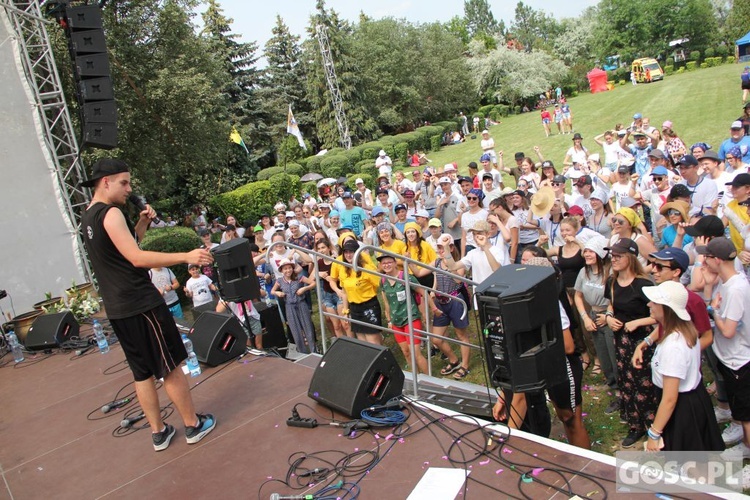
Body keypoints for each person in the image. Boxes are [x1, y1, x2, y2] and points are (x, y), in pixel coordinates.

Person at [80, 158, 216, 452]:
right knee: (170, 366)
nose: (129, 189)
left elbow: (125, 248)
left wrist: (143, 222)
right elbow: (137, 259)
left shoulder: (88, 216)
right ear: (106, 182)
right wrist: (185, 256)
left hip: (118, 308)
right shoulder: (111, 213)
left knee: (141, 372)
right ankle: (192, 424)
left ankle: (159, 432)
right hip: (140, 303)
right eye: (124, 182)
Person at [631, 281, 724, 452]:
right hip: (693, 400)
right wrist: (644, 344)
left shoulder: (673, 347)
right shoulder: (682, 330)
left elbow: (670, 399)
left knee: (690, 463)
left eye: (654, 302)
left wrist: (654, 433)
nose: (649, 304)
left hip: (683, 408)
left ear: (666, 309)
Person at [603, 238, 657, 448]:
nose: (613, 259)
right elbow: (610, 305)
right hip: (621, 340)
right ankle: (634, 423)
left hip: (642, 341)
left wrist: (638, 322)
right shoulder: (612, 282)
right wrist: (608, 317)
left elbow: (660, 316)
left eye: (618, 256)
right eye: (612, 256)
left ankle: (649, 423)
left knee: (643, 382)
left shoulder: (643, 285)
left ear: (631, 258)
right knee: (626, 380)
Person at [699, 237, 750, 458]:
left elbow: (728, 330)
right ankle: (745, 443)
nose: (703, 261)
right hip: (730, 357)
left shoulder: (737, 289)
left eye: (707, 257)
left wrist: (714, 312)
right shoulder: (725, 282)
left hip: (739, 359)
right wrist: (709, 285)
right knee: (739, 409)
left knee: (747, 414)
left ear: (717, 259)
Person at [574, 236, 618, 413]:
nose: (587, 254)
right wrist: (585, 317)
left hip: (608, 316)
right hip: (591, 315)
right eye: (585, 251)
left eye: (591, 251)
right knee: (602, 354)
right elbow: (578, 295)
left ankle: (622, 391)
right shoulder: (583, 272)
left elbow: (614, 296)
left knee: (613, 356)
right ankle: (613, 386)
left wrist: (606, 315)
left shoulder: (610, 272)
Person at [429, 234, 473, 380]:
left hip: (455, 300)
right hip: (440, 302)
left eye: (444, 247)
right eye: (440, 247)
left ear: (452, 247)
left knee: (461, 335)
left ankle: (465, 366)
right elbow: (420, 272)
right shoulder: (436, 262)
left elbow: (457, 280)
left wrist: (449, 260)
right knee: (436, 338)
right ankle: (454, 360)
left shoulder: (460, 263)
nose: (441, 250)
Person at [378, 254, 429, 374]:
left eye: (389, 262)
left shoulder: (406, 277)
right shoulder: (383, 280)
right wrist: (389, 319)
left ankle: (431, 380)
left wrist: (431, 310)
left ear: (395, 263)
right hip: (396, 321)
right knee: (406, 352)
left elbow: (423, 292)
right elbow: (386, 302)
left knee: (415, 353)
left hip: (411, 318)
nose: (387, 265)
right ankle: (416, 378)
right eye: (384, 263)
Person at [331, 239, 383, 345]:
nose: (349, 255)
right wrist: (345, 311)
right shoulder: (343, 270)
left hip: (369, 306)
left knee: (373, 342)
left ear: (357, 253)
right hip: (354, 308)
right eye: (346, 252)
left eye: (351, 252)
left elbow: (381, 286)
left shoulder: (366, 269)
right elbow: (344, 292)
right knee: (362, 341)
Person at [271, 259, 317, 354]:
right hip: (289, 307)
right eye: (285, 269)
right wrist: (277, 292)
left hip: (301, 304)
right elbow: (272, 291)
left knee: (308, 327)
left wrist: (304, 288)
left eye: (289, 268)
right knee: (295, 331)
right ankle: (302, 352)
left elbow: (313, 283)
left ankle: (314, 350)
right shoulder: (279, 281)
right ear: (281, 270)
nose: (288, 270)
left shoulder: (299, 277)